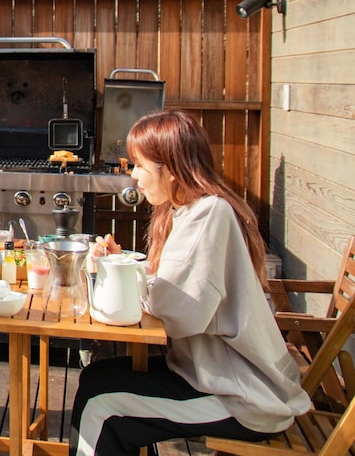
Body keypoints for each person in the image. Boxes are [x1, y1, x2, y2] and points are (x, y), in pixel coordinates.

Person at [70, 109, 310, 456]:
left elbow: (178, 310)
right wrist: (122, 265)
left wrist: (122, 271)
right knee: (96, 378)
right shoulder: (190, 211)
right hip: (207, 374)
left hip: (241, 396)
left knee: (101, 406)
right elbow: (174, 286)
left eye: (139, 165)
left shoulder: (209, 214)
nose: (133, 175)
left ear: (170, 168)